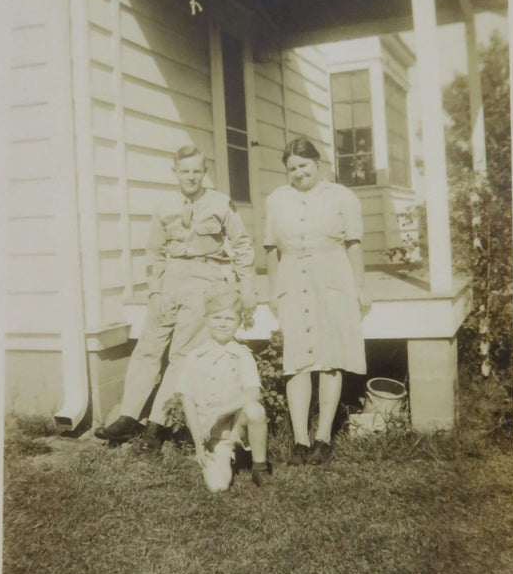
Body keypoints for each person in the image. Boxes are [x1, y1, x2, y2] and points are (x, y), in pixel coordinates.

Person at [95, 145, 255, 452]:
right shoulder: (164, 206)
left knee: (181, 354)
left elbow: (243, 246)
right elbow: (154, 251)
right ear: (176, 173)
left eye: (197, 171)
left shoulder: (221, 204)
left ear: (204, 172)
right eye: (185, 171)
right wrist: (154, 289)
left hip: (204, 279)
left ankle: (158, 423)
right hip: (170, 281)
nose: (191, 177)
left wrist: (247, 286)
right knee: (147, 349)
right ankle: (129, 418)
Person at [265, 137, 371, 465]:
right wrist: (273, 289)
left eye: (303, 165)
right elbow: (270, 248)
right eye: (291, 168)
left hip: (332, 277)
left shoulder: (341, 196)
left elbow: (353, 244)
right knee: (296, 358)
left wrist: (359, 287)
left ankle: (323, 436)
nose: (298, 174)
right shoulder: (277, 200)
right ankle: (299, 440)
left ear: (318, 164)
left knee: (330, 356)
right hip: (293, 278)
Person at [178, 283, 270, 492]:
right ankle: (223, 455)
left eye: (229, 318)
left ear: (238, 323)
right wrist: (199, 446)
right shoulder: (195, 356)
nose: (222, 323)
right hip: (212, 434)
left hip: (236, 426)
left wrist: (218, 413)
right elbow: (188, 399)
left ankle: (260, 469)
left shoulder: (242, 354)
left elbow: (254, 392)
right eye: (217, 318)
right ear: (207, 321)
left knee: (255, 410)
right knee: (218, 486)